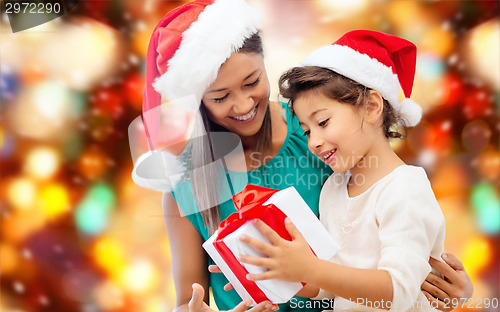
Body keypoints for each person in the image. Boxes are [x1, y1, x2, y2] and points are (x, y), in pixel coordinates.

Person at [129, 1, 473, 311]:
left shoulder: (319, 127)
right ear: (197, 100)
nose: (244, 105)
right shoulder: (186, 183)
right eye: (220, 97)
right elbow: (186, 302)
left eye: (252, 82)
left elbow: (393, 216)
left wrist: (443, 287)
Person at [236, 30, 471, 311]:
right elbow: (332, 285)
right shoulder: (333, 188)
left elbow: (399, 292)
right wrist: (278, 269)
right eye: (307, 131)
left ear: (372, 107)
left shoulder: (404, 189)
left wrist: (311, 269)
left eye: (323, 122)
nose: (314, 142)